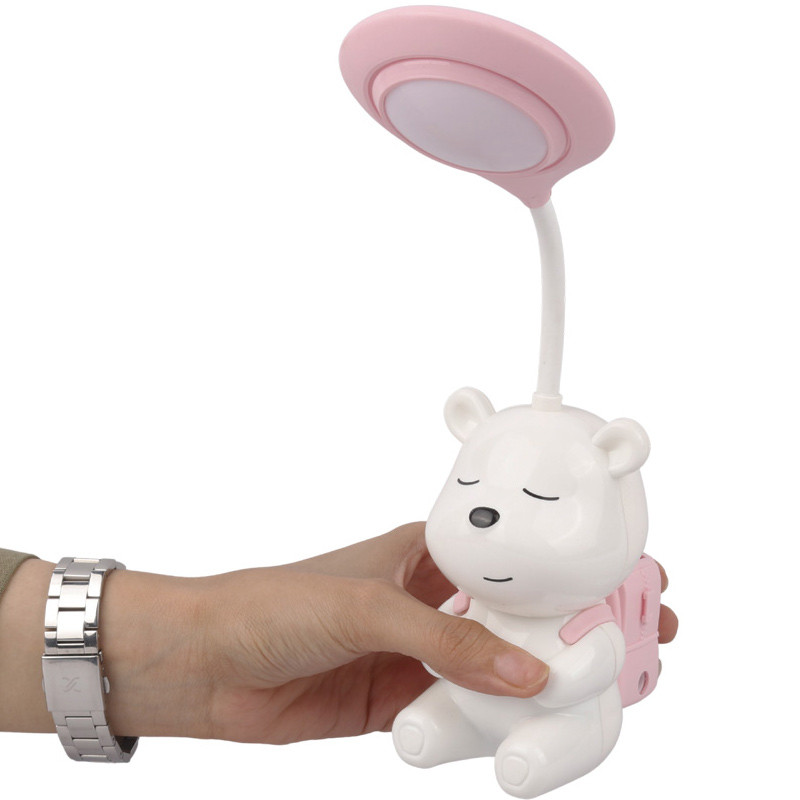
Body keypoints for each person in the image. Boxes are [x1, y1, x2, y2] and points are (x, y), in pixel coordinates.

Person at [0, 523, 678, 744]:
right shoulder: (467, 599)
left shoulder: (594, 618)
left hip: (545, 716)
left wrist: (199, 652)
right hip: (474, 698)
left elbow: (596, 662)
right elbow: (447, 641)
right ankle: (434, 733)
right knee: (436, 716)